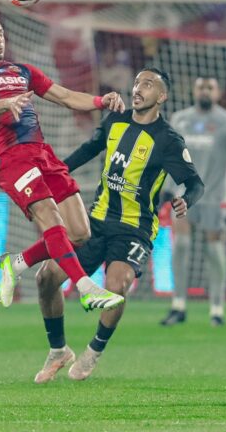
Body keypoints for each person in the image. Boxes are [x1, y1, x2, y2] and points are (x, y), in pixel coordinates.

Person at [28, 68, 204, 384]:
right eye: (136, 83)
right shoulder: (115, 121)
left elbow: (195, 183)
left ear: (161, 96)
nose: (138, 89)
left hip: (134, 229)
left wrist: (185, 200)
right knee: (46, 277)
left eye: (147, 85)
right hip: (95, 222)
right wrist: (54, 175)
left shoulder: (168, 141)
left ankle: (93, 352)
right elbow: (88, 150)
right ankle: (58, 349)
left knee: (117, 285)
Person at [0, 12, 126, 311]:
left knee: (79, 232)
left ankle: (16, 263)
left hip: (42, 153)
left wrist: (102, 101)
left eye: (0, 34)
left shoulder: (23, 71)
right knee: (50, 216)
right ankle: (86, 288)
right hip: (10, 157)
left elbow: (66, 97)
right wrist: (5, 103)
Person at [160, 77, 226, 327]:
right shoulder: (180, 119)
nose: (204, 91)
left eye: (209, 87)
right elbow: (170, 156)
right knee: (181, 246)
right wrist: (166, 190)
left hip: (215, 196)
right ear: (194, 91)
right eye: (200, 87)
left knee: (214, 250)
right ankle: (178, 305)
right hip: (183, 195)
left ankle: (217, 309)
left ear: (218, 92)